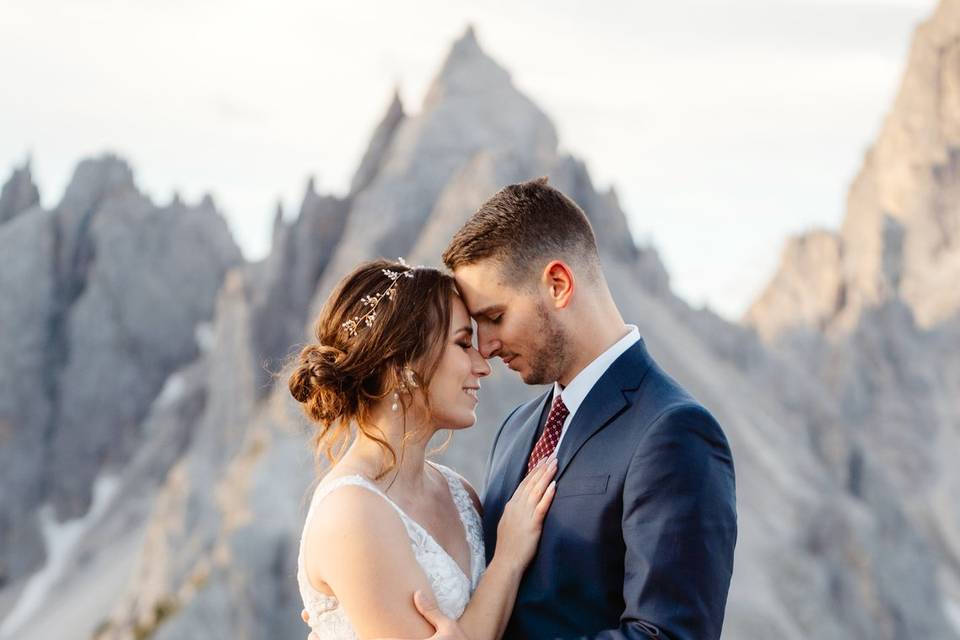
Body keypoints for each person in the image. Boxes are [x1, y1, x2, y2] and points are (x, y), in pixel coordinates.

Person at [429, 177, 738, 639]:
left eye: (495, 318)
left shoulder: (674, 432)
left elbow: (668, 634)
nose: (486, 347)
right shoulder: (516, 429)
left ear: (557, 284)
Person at [289, 259, 557, 640]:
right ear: (401, 364)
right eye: (463, 344)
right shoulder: (351, 512)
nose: (483, 365)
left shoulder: (460, 493)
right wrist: (509, 559)